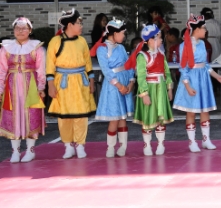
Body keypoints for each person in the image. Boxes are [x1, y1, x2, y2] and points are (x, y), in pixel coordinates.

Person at [173, 14, 221, 153]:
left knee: (205, 110)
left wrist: (217, 76)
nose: (205, 30)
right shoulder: (184, 45)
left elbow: (205, 65)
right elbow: (183, 68)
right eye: (203, 28)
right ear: (196, 29)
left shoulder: (203, 44)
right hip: (191, 80)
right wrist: (187, 86)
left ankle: (206, 140)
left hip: (203, 79)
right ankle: (192, 142)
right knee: (191, 112)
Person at [46, 9, 96, 159]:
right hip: (63, 83)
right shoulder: (55, 41)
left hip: (81, 82)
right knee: (64, 117)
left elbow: (88, 63)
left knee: (81, 116)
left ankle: (80, 145)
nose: (81, 26)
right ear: (69, 24)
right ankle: (68, 145)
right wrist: (50, 84)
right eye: (79, 23)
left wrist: (92, 80)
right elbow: (50, 64)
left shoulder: (82, 41)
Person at [0, 17, 46, 163]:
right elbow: (2, 70)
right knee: (12, 116)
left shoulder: (37, 47)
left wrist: (41, 87)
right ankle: (15, 151)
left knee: (30, 116)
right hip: (11, 86)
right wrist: (0, 88)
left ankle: (30, 150)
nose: (20, 31)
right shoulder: (5, 48)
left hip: (30, 85)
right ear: (13, 30)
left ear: (30, 30)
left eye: (24, 28)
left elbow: (41, 69)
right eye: (17, 28)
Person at [126, 25, 174, 156]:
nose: (161, 39)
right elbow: (141, 76)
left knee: (161, 118)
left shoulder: (161, 54)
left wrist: (169, 88)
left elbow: (166, 72)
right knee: (148, 118)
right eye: (158, 37)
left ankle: (160, 143)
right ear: (150, 40)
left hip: (161, 89)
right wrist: (144, 94)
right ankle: (147, 144)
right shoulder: (142, 56)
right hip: (150, 89)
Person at [91, 18, 135, 157]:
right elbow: (106, 70)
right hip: (113, 85)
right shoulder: (102, 49)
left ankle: (123, 146)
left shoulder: (121, 48)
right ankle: (110, 147)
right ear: (114, 33)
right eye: (122, 33)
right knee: (114, 118)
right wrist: (119, 85)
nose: (124, 36)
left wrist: (131, 81)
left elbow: (128, 65)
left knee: (123, 118)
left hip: (124, 82)